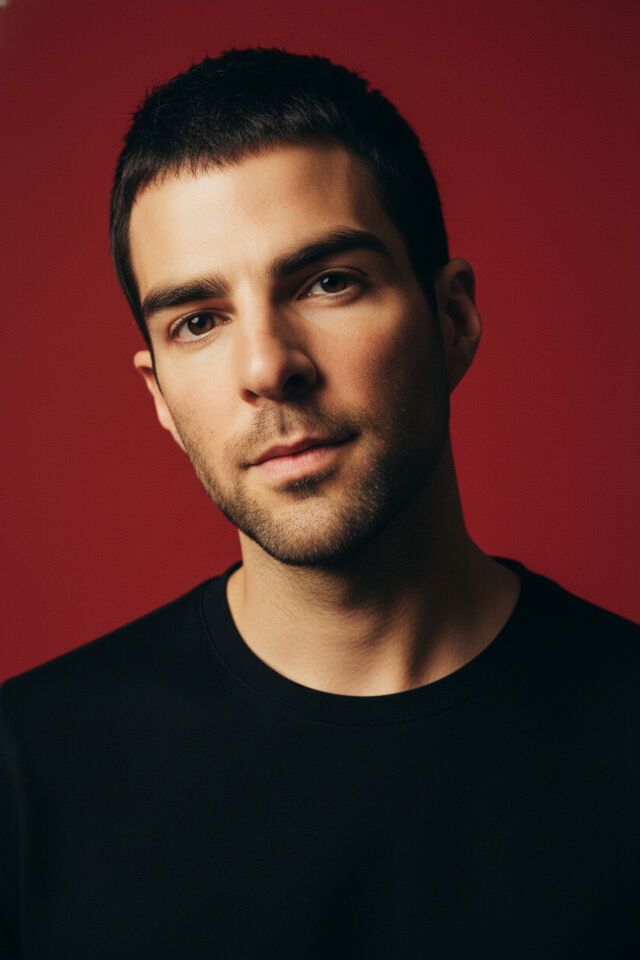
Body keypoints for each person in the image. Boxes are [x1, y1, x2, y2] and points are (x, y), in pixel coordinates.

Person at [0, 48, 637, 959]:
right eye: (198, 321)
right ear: (160, 398)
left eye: (329, 281)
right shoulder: (26, 772)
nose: (268, 366)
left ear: (452, 319)